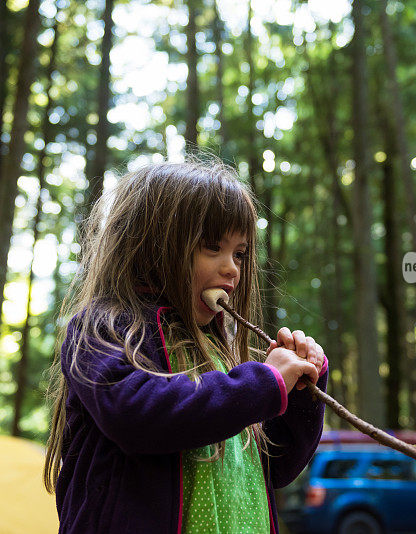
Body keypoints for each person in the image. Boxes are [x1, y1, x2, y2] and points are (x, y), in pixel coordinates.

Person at [43, 160, 329, 533]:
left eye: (239, 253)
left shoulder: (221, 353)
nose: (233, 269)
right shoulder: (106, 329)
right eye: (212, 247)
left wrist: (301, 393)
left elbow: (275, 468)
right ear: (150, 244)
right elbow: (137, 415)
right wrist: (264, 381)